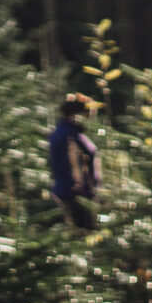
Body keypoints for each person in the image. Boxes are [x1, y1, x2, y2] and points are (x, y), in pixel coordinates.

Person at [46, 95, 100, 230]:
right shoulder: (70, 136)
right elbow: (73, 166)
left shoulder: (63, 133)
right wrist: (85, 189)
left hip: (67, 192)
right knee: (82, 232)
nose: (90, 118)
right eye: (88, 114)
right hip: (76, 194)